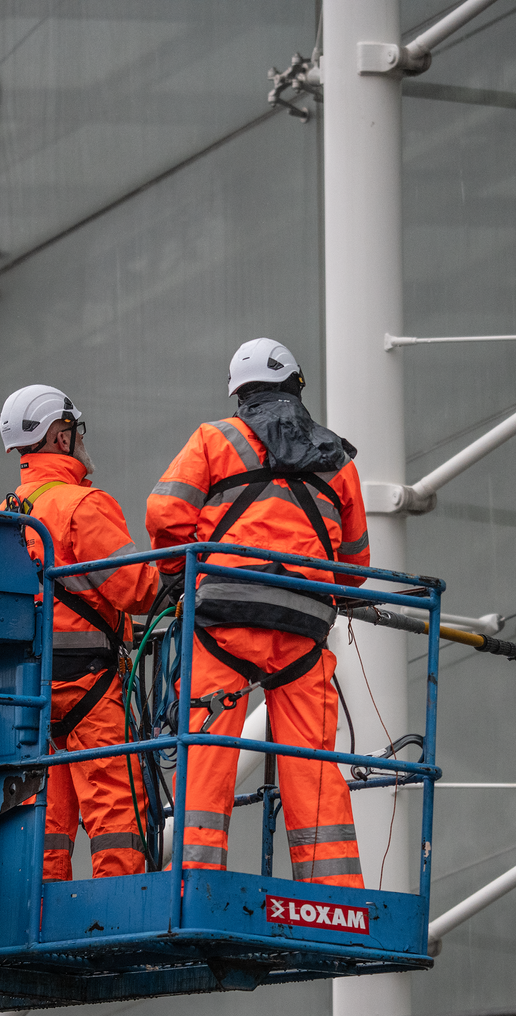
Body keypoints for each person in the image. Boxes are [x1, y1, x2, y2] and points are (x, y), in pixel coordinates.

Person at [146, 339, 370, 887]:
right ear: (297, 386)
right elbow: (357, 567)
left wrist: (190, 565)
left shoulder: (214, 439)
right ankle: (333, 895)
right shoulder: (336, 458)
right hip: (303, 629)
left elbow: (165, 517)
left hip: (224, 619)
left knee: (208, 755)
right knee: (312, 765)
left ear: (238, 395)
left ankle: (193, 883)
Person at [0, 384, 158, 881]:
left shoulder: (1, 518)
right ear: (59, 437)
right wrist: (181, 578)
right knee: (116, 810)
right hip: (91, 689)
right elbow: (136, 589)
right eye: (74, 430)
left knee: (44, 817)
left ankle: (40, 915)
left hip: (30, 698)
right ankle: (120, 915)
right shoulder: (82, 505)